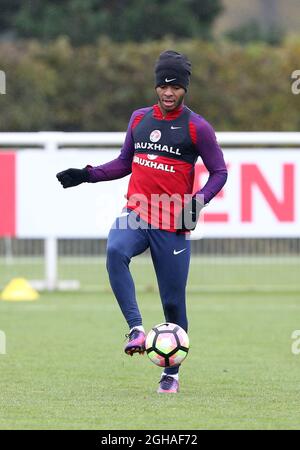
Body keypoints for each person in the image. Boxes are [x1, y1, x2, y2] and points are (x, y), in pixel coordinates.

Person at [56, 50, 228, 394]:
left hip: (173, 223)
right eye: (163, 85)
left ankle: (171, 374)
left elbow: (219, 172)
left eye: (176, 87)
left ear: (185, 89)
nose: (169, 92)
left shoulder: (198, 128)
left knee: (174, 303)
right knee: (114, 251)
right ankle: (136, 330)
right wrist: (87, 175)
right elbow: (124, 163)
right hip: (137, 212)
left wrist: (198, 202)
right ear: (155, 86)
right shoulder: (138, 119)